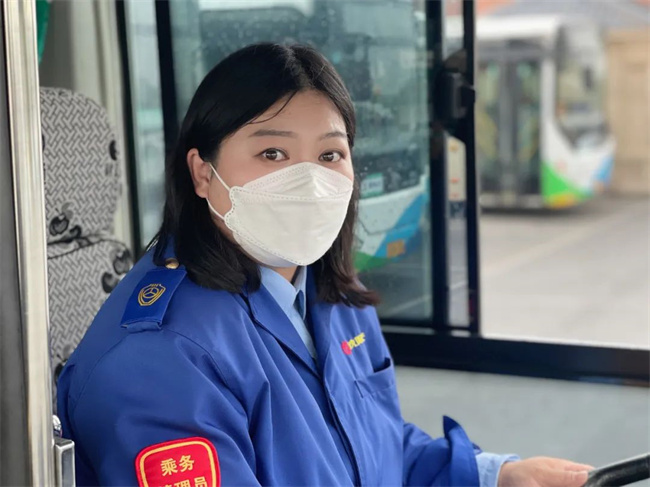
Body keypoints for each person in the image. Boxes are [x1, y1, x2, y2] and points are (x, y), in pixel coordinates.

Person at [57, 43, 594, 487]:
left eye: (330, 155)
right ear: (201, 173)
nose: (309, 182)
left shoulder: (326, 292)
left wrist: (496, 475)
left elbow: (372, 452)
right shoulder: (160, 358)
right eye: (272, 154)